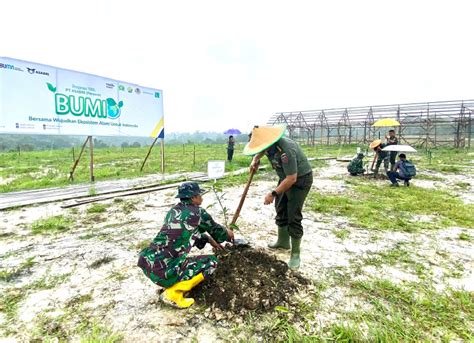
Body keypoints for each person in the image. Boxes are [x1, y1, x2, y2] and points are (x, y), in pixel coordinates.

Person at [137, 182, 234, 308]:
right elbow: (219, 233)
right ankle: (173, 293)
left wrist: (208, 239)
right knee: (212, 262)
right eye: (200, 195)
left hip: (149, 264)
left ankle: (172, 284)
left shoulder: (174, 211)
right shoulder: (198, 213)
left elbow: (182, 234)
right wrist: (228, 233)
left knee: (181, 260)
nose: (202, 197)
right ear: (193, 197)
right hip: (165, 271)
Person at [244, 125, 313, 270]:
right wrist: (255, 160)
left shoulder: (286, 151)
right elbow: (262, 150)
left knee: (293, 214)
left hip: (299, 180)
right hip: (285, 178)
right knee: (280, 207)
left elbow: (292, 178)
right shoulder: (269, 144)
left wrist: (273, 193)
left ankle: (295, 254)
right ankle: (283, 241)